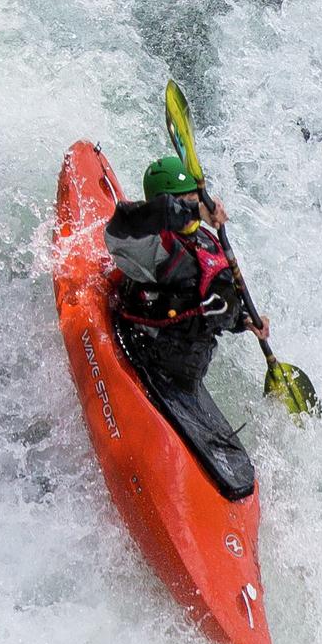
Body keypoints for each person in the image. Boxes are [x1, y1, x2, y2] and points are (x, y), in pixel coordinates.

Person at [103, 154, 262, 497]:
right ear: (169, 205)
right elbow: (122, 223)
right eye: (187, 202)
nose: (196, 208)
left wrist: (243, 321)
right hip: (148, 351)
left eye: (198, 198)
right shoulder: (151, 245)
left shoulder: (205, 242)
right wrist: (191, 212)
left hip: (186, 369)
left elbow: (217, 303)